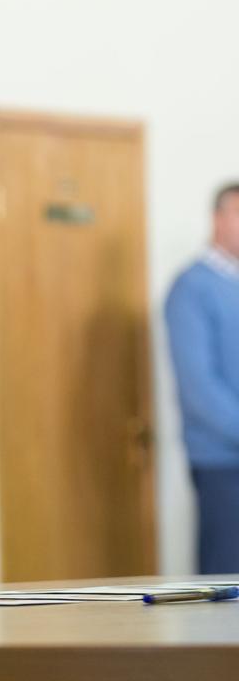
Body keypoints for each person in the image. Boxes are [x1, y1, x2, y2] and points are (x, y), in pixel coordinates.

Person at [165, 182, 239, 574]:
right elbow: (200, 389)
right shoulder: (192, 288)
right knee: (226, 584)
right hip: (223, 465)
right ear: (218, 219)